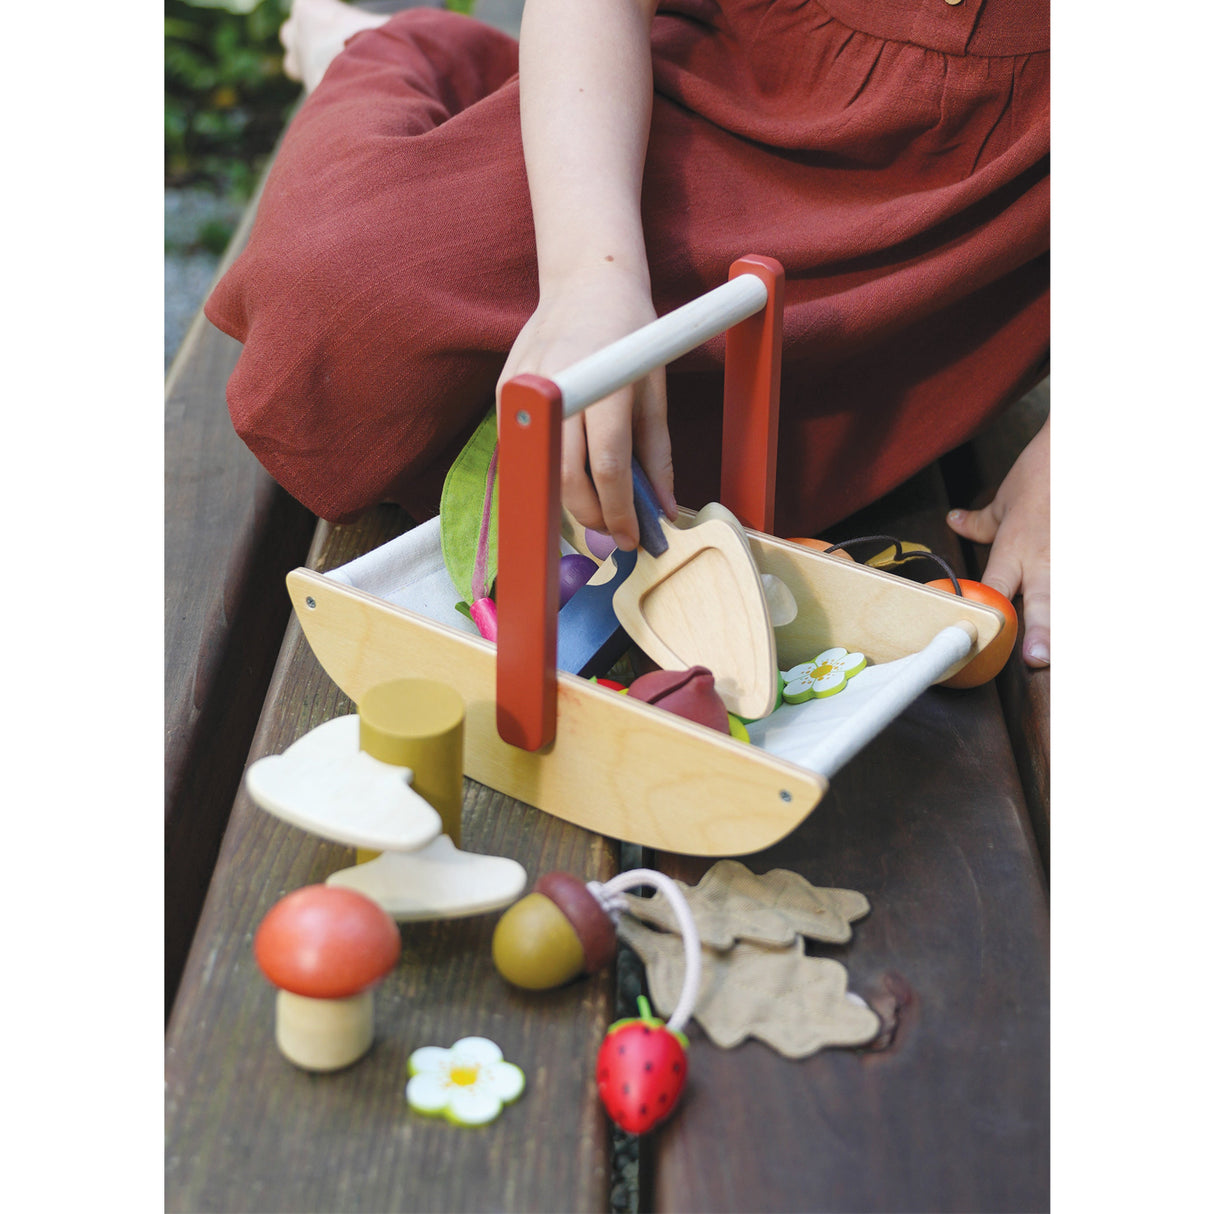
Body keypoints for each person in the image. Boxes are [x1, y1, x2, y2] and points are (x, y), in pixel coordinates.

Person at [206, 0, 1050, 665]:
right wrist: (588, 283)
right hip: (705, 112)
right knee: (336, 315)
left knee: (654, 492)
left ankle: (495, 111)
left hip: (975, 248)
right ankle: (401, 55)